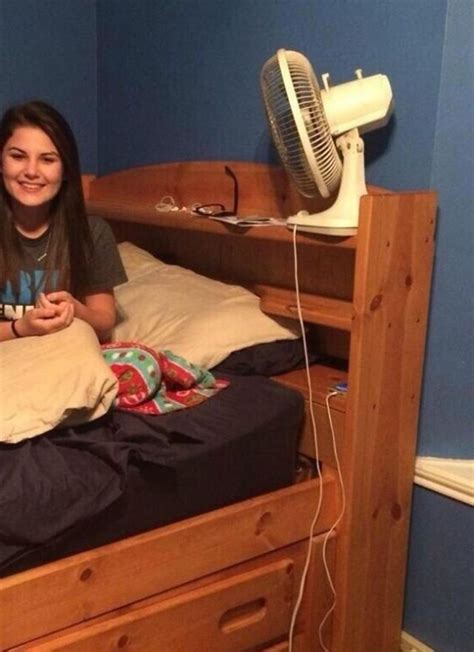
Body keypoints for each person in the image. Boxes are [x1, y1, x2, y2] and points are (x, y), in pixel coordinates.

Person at [0, 100, 127, 342]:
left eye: (47, 160)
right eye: (18, 156)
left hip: (65, 356)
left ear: (65, 170)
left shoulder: (92, 232)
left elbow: (104, 323)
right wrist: (19, 328)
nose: (31, 171)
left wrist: (75, 309)